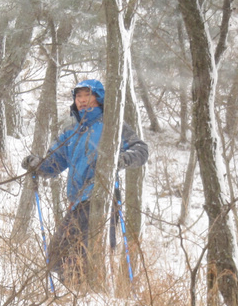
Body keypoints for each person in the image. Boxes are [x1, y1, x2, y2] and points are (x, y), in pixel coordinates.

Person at [21, 79, 148, 285]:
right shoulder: (71, 131)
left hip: (103, 199)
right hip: (77, 202)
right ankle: (75, 298)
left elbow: (141, 150)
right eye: (78, 97)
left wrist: (122, 159)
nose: (81, 101)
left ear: (98, 98)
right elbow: (54, 163)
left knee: (87, 255)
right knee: (57, 254)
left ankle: (89, 299)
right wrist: (37, 165)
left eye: (86, 95)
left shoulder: (111, 126)